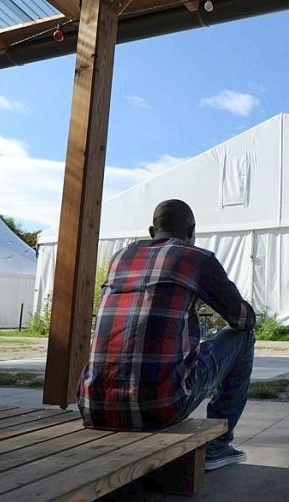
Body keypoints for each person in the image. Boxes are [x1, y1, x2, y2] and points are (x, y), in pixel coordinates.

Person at [76, 199, 256, 472]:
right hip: (161, 405)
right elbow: (242, 319)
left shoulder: (121, 258)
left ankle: (217, 444)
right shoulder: (197, 258)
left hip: (94, 405)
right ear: (192, 230)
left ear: (152, 231)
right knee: (243, 337)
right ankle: (217, 445)